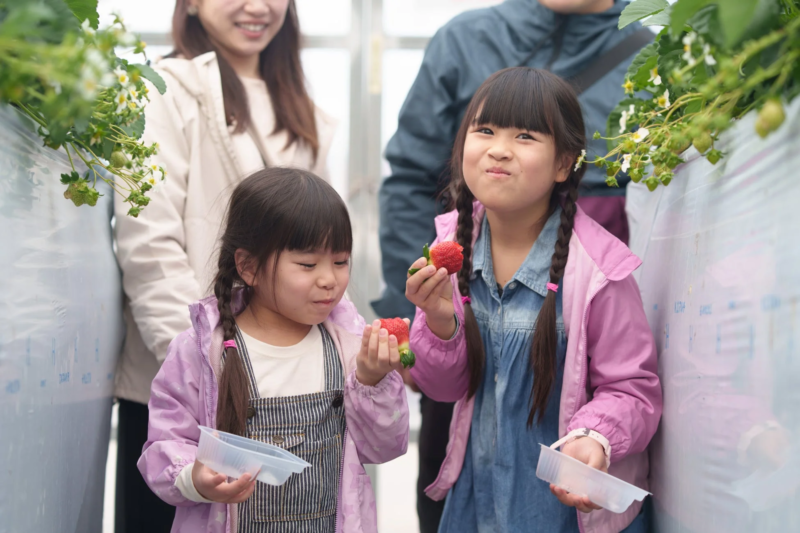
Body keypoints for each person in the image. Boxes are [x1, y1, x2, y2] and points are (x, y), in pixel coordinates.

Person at [373, 2, 653, 529]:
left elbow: (630, 386)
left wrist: (594, 437)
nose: (499, 151)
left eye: (525, 137)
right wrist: (427, 322)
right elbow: (446, 383)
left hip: (561, 504)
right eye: (485, 132)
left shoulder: (600, 272)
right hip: (475, 499)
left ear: (567, 162)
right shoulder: (452, 251)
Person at [112, 1, 336, 531]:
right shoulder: (163, 89)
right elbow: (150, 244)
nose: (257, 7)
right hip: (181, 397)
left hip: (289, 396)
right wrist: (203, 373)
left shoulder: (302, 110)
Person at [138, 168, 409, 532]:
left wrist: (372, 381)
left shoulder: (347, 344)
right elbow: (164, 445)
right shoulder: (201, 353)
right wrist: (195, 478)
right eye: (308, 264)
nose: (330, 278)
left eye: (341, 261)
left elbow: (385, 447)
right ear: (248, 266)